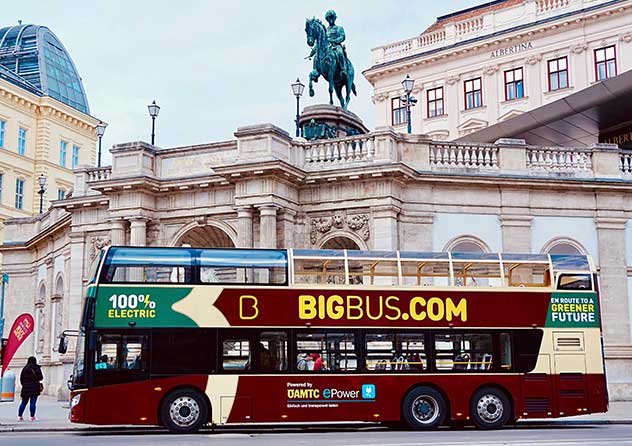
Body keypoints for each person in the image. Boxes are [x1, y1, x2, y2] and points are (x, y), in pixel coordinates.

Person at [18, 356, 43, 421]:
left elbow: (21, 378)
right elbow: (41, 378)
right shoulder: (37, 368)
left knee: (23, 402)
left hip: (25, 387)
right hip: (35, 387)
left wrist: (24, 385)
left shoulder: (25, 368)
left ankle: (20, 416)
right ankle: (32, 417)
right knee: (33, 402)